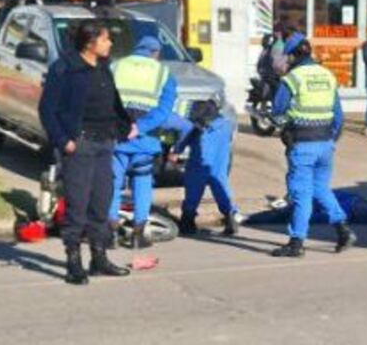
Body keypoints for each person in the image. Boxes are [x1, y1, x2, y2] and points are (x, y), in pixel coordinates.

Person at [39, 20, 133, 285]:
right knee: (77, 205)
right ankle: (73, 262)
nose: (110, 43)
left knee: (101, 202)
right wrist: (62, 140)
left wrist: (125, 126)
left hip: (105, 143)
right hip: (79, 144)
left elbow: (112, 103)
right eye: (105, 39)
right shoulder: (65, 68)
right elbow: (47, 110)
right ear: (90, 43)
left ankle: (98, 257)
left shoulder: (103, 67)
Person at [270, 33, 356, 257]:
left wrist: (286, 124)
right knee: (321, 189)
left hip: (303, 144)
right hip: (325, 144)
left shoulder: (293, 78)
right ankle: (343, 231)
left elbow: (278, 110)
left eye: (289, 56)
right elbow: (338, 116)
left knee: (301, 194)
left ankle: (296, 243)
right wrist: (330, 140)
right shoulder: (327, 75)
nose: (287, 60)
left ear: (295, 55)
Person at [108, 36, 175, 250]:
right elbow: (164, 111)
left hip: (116, 138)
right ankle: (138, 234)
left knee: (112, 185)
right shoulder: (163, 73)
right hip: (144, 140)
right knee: (142, 184)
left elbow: (103, 100)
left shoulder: (116, 66)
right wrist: (140, 127)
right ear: (155, 52)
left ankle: (110, 234)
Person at [170, 99, 239, 236]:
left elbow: (184, 139)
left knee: (193, 192)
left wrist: (176, 151)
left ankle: (187, 223)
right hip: (220, 164)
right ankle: (230, 218)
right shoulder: (226, 125)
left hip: (199, 163)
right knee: (222, 190)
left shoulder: (198, 129)